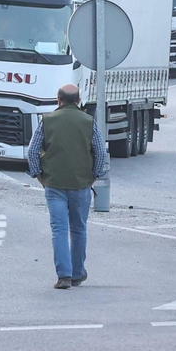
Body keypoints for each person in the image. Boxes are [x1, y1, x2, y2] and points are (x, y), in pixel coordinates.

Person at [27, 84, 109, 289]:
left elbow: (32, 151)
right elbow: (101, 152)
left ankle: (63, 276)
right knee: (79, 229)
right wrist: (94, 176)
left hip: (54, 185)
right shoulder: (89, 122)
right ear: (79, 101)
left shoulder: (47, 121)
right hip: (81, 185)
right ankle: (77, 273)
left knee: (59, 230)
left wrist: (39, 175)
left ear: (59, 100)